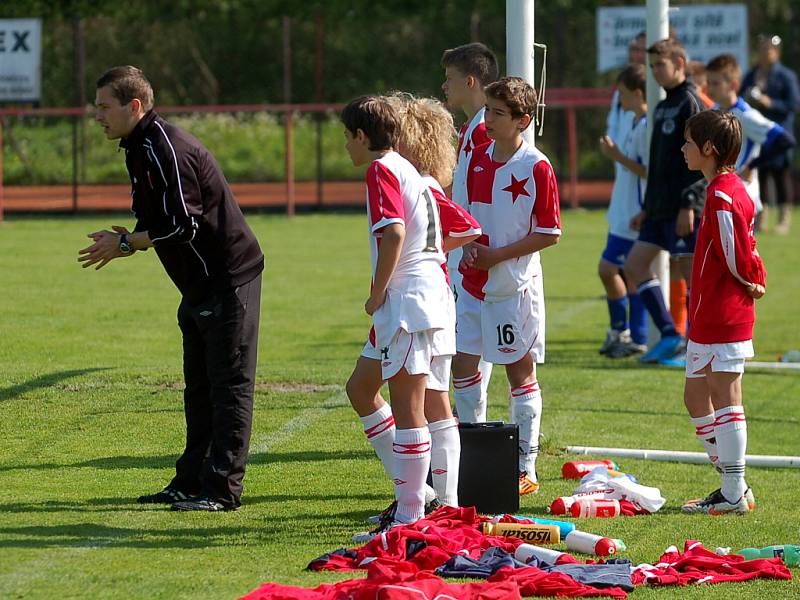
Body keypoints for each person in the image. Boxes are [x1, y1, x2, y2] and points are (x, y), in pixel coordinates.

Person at [79, 66, 264, 512]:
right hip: (198, 286)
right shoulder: (139, 146)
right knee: (198, 388)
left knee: (228, 386)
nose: (97, 115)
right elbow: (159, 217)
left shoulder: (166, 148)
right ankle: (190, 481)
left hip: (227, 279)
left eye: (104, 106)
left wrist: (126, 243)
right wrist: (131, 240)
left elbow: (184, 224)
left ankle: (221, 492)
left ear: (134, 106)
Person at [347, 94, 481, 536]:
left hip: (408, 305)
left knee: (411, 406)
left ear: (362, 136)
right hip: (431, 298)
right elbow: (463, 228)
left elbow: (394, 233)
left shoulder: (382, 169)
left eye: (348, 138)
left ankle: (412, 516)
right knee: (365, 387)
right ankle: (437, 502)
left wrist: (377, 291)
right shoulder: (414, 174)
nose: (346, 147)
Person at [454, 77, 561, 496]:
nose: (489, 120)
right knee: (464, 366)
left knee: (519, 372)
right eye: (489, 110)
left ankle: (525, 465)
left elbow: (550, 232)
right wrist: (466, 246)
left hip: (512, 287)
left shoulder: (536, 166)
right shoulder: (477, 157)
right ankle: (470, 453)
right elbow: (463, 212)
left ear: (523, 120)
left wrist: (498, 255)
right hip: (471, 283)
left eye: (499, 113)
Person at [678, 110, 766, 514]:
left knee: (727, 398)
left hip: (725, 312)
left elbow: (735, 252)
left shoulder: (722, 192)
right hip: (707, 312)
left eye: (689, 143)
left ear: (709, 149)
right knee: (695, 397)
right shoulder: (725, 188)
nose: (683, 149)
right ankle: (735, 483)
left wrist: (751, 278)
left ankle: (732, 492)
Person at [622, 38, 704, 365]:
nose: (655, 72)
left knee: (689, 273)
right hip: (658, 208)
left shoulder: (690, 103)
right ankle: (670, 334)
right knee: (634, 265)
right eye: (653, 66)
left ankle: (696, 344)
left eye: (661, 65)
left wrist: (689, 204)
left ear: (680, 64)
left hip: (682, 208)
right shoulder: (663, 106)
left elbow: (697, 161)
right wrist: (647, 206)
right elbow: (660, 163)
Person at [441, 42, 499, 423]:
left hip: (478, 252)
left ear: (471, 80)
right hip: (469, 250)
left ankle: (470, 430)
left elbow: (485, 196)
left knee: (470, 346)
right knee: (472, 344)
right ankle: (468, 426)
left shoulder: (484, 129)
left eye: (450, 79)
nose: (444, 86)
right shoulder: (472, 126)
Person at [597, 64, 649, 358]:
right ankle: (631, 334)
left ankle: (626, 331)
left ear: (638, 94)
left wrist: (617, 156)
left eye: (624, 94)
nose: (621, 99)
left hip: (634, 214)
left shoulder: (646, 127)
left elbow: (649, 172)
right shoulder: (634, 122)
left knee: (610, 269)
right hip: (622, 211)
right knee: (631, 272)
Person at [705, 53, 796, 219]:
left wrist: (751, 165)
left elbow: (785, 140)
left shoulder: (745, 115)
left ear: (733, 85)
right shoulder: (714, 111)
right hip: (720, 195)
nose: (710, 89)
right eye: (708, 83)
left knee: (740, 246)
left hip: (741, 196)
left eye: (716, 83)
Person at [742, 35, 800, 234]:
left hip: (779, 132)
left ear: (777, 51)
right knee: (762, 174)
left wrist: (770, 102)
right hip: (758, 134)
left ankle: (784, 218)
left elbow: (793, 104)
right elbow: (740, 96)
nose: (766, 53)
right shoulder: (752, 74)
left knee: (781, 175)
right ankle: (761, 218)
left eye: (770, 49)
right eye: (763, 49)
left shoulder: (786, 76)